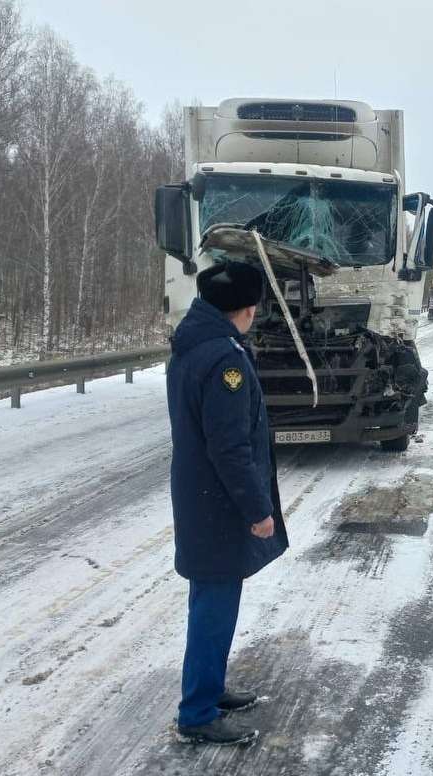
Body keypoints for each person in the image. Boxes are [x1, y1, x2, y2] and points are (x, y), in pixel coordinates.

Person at [166, 257, 289, 746]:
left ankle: (209, 690)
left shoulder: (196, 346)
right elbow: (230, 447)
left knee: (210, 602)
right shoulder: (225, 360)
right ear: (246, 307)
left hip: (202, 499)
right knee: (214, 608)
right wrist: (259, 512)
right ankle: (197, 713)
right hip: (217, 505)